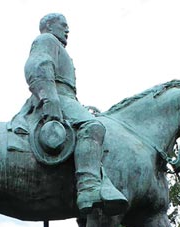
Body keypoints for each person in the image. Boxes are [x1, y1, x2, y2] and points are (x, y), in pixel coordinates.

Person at [24, 13, 128, 216]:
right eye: (63, 25)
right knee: (92, 127)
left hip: (68, 99)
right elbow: (37, 66)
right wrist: (49, 99)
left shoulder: (59, 48)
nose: (67, 30)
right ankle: (88, 188)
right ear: (49, 26)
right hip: (57, 97)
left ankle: (86, 222)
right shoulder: (46, 40)